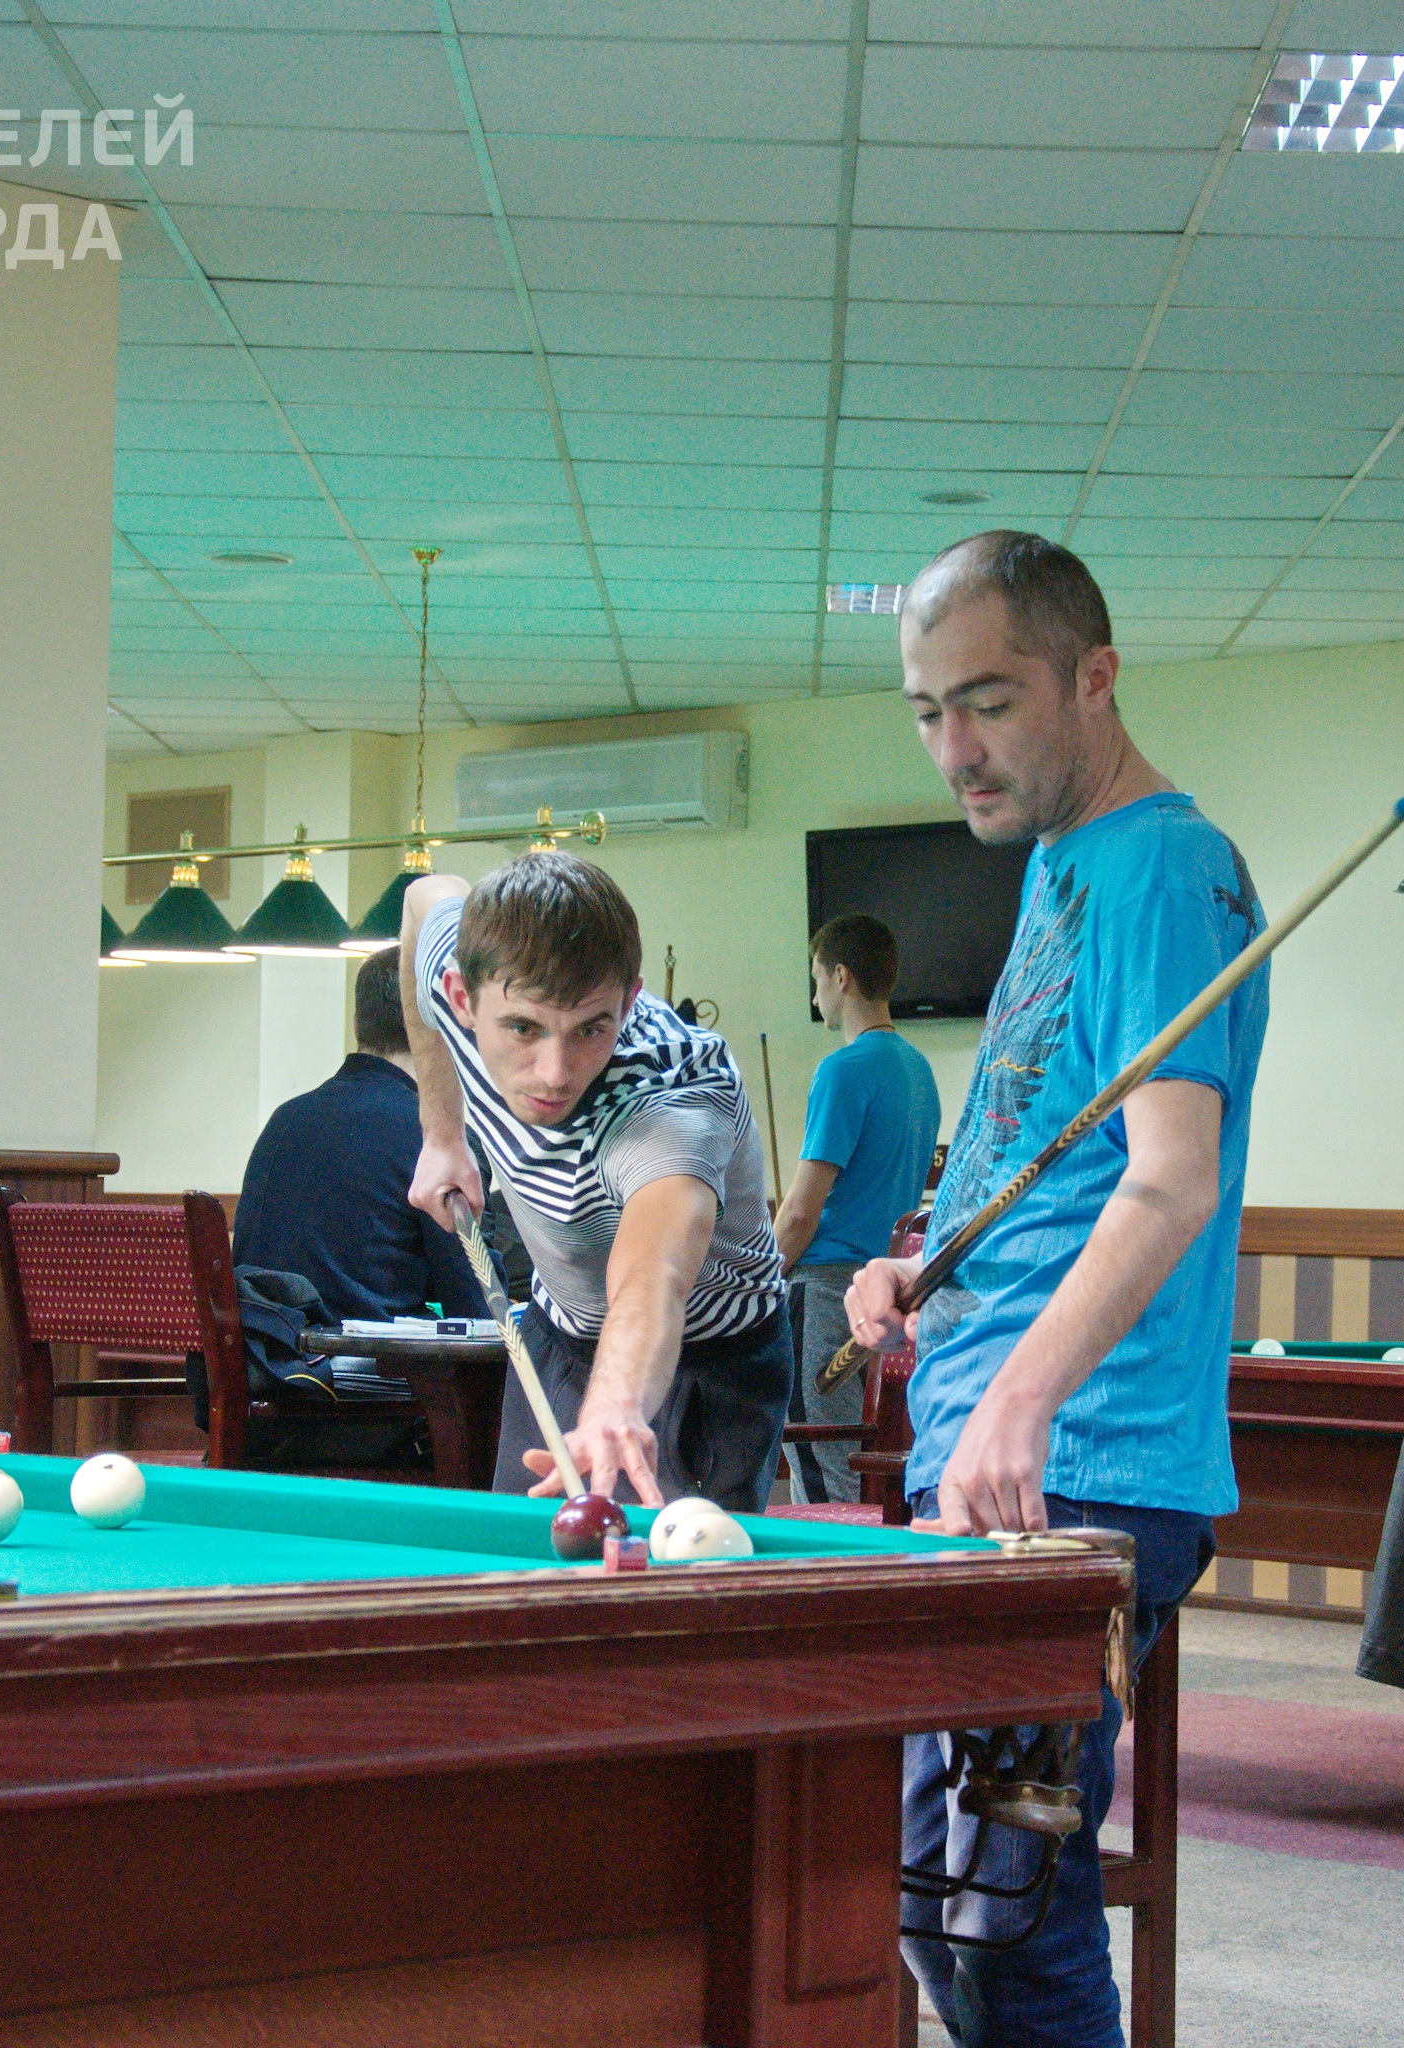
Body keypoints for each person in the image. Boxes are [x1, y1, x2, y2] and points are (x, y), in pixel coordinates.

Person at [844, 530, 1267, 2047]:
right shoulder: (1058, 860)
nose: (954, 749)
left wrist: (1021, 1395)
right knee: (945, 1905)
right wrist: (931, 1259)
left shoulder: (1159, 867)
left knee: (1000, 1917)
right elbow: (1055, 1147)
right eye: (926, 710)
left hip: (1073, 1463)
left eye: (989, 701)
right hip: (998, 1442)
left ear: (1095, 676)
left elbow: (1171, 1178)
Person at [399, 852, 788, 1510]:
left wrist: (614, 1405)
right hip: (558, 1331)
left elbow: (653, 1275)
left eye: (590, 1028)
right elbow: (422, 898)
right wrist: (442, 1132)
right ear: (462, 998)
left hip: (708, 1360)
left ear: (629, 1000)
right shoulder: (461, 975)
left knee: (670, 1571)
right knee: (523, 1554)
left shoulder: (673, 1101)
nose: (555, 1072)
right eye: (523, 1028)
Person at [773, 914, 939, 1502]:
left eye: (816, 978)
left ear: (840, 977)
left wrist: (756, 1284)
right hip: (885, 1294)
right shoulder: (919, 1071)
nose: (816, 994)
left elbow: (801, 1211)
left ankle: (833, 1565)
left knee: (823, 1462)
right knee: (858, 1461)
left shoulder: (843, 1070)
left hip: (825, 1293)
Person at [232, 945, 486, 1325]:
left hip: (263, 1356)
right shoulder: (440, 1143)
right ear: (450, 1030)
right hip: (367, 1359)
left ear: (356, 1025)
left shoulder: (283, 1120)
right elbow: (475, 1306)